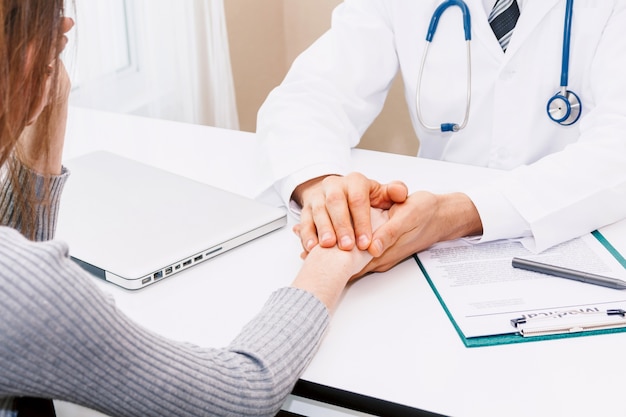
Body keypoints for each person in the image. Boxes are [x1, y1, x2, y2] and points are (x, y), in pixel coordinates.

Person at [0, 1, 386, 416]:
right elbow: (244, 394)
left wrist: (41, 89)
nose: (65, 25)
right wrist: (337, 249)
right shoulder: (21, 287)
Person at [256, 0, 626, 276]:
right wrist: (323, 187)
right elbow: (310, 96)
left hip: (582, 233)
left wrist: (457, 215)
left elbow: (617, 147)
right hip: (423, 247)